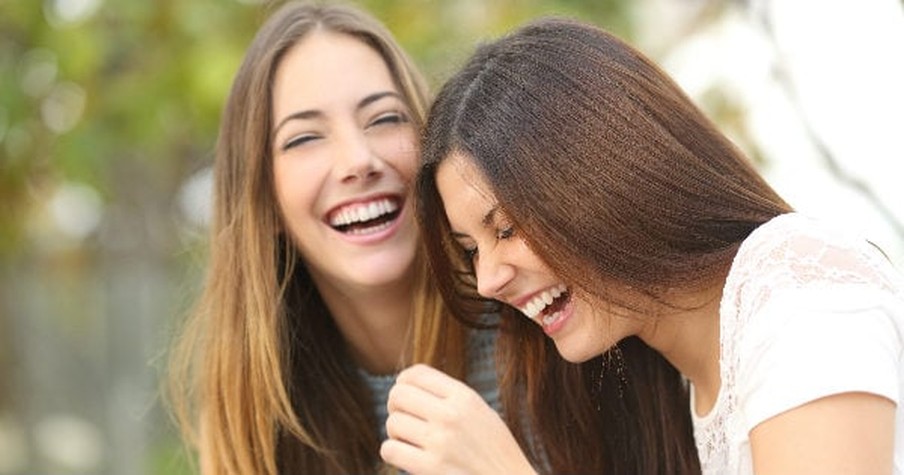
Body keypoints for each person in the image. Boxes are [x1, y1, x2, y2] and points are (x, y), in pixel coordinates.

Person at [384, 16, 904, 475]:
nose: (489, 280)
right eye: (471, 250)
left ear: (605, 174)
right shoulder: (654, 385)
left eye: (506, 229)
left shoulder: (797, 287)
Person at [165, 2, 502, 474]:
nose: (357, 160)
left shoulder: (541, 328)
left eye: (384, 119)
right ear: (265, 201)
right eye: (304, 138)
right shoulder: (266, 417)